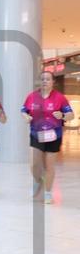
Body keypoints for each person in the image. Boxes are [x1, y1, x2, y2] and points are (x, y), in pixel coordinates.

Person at [22, 70, 74, 204]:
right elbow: (23, 110)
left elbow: (71, 115)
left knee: (49, 166)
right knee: (34, 164)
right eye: (42, 79)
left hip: (53, 135)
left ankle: (47, 192)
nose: (45, 81)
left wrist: (63, 116)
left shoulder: (60, 98)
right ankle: (38, 182)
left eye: (48, 79)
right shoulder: (32, 96)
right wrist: (26, 116)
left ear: (53, 82)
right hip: (36, 134)